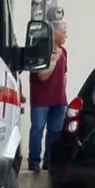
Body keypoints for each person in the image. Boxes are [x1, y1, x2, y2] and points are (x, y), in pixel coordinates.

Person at [28, 21, 69, 172]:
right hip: (41, 99)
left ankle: (49, 161)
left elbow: (63, 75)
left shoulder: (64, 52)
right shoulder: (40, 49)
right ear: (55, 32)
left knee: (55, 131)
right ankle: (34, 161)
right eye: (63, 32)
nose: (66, 36)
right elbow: (42, 76)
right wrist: (54, 58)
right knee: (37, 128)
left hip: (59, 99)